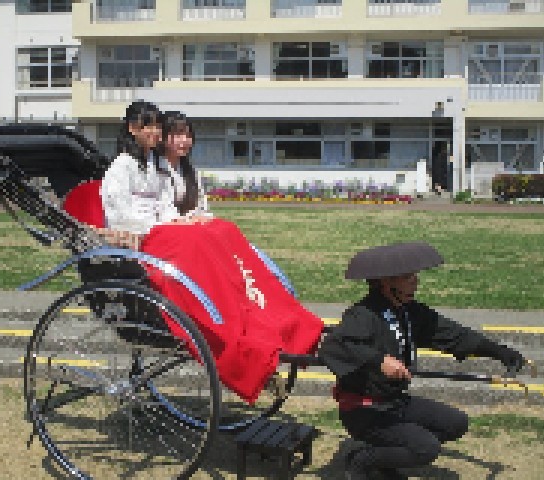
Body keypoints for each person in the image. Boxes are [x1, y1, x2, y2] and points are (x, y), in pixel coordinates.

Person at [100, 105, 324, 403]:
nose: (154, 132)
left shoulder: (153, 164)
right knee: (197, 239)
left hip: (163, 229)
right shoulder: (122, 166)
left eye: (157, 127)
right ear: (132, 129)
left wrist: (181, 220)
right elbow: (119, 213)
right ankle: (227, 315)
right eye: (148, 126)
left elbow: (165, 205)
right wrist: (167, 225)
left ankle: (255, 305)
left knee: (222, 229)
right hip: (141, 236)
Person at [317, 242, 526, 480]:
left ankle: (386, 457)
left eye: (415, 276)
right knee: (426, 448)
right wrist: (379, 360)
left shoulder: (409, 311)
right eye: (408, 277)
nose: (415, 281)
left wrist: (499, 351)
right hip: (365, 410)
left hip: (395, 402)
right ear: (386, 282)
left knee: (456, 423)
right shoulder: (363, 314)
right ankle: (361, 460)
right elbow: (332, 347)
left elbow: (454, 334)